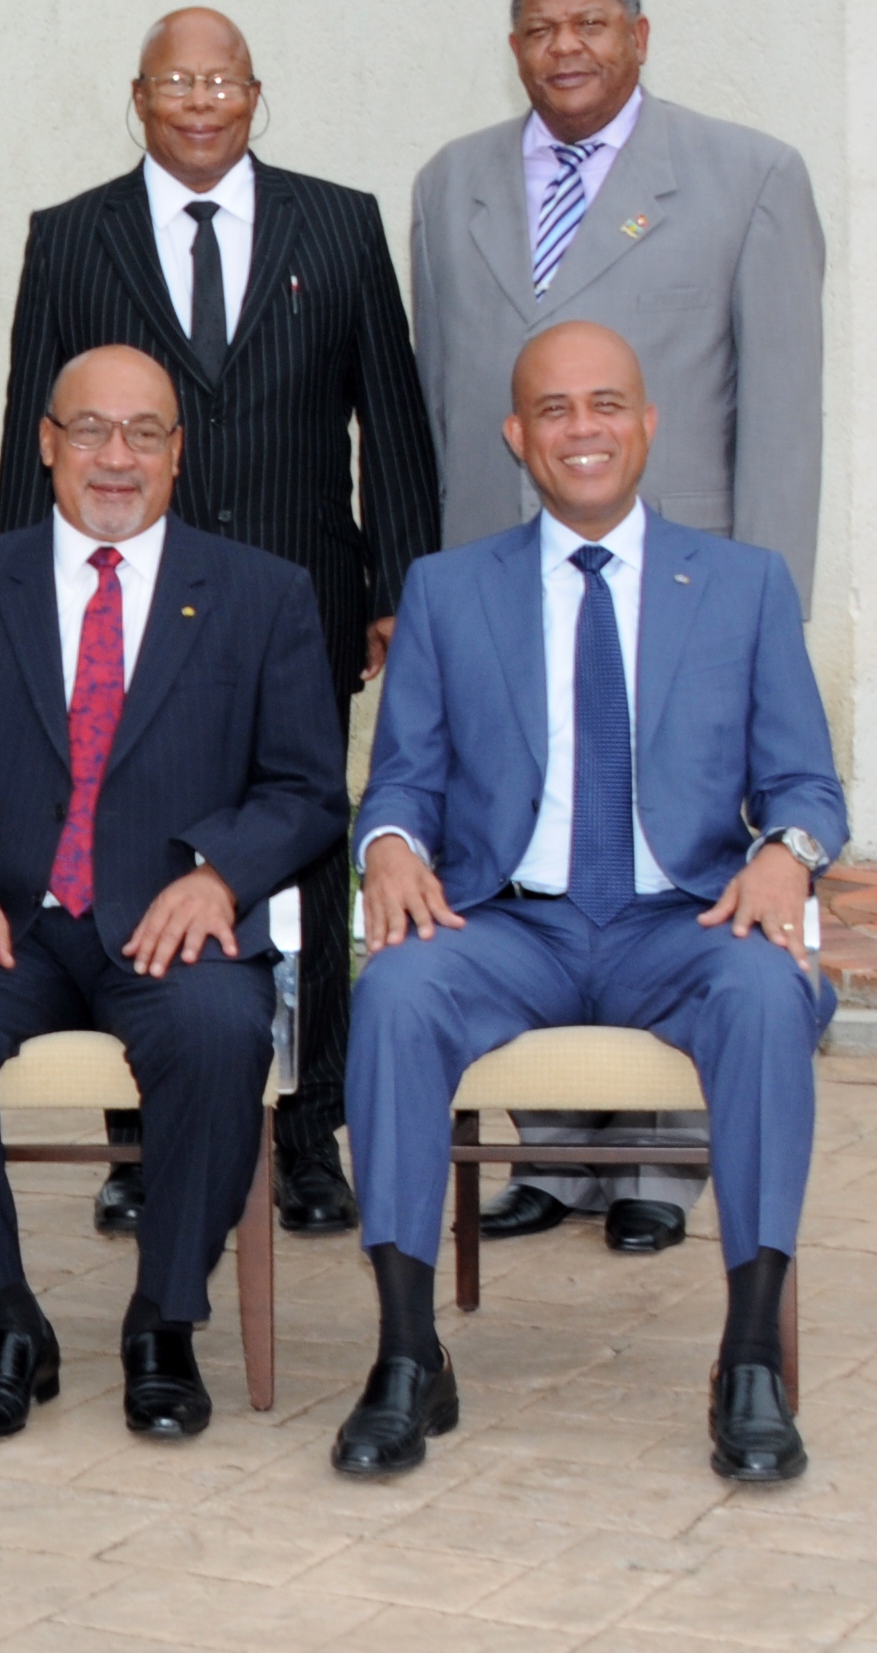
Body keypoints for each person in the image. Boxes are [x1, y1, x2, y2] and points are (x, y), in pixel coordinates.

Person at [336, 322, 841, 1485]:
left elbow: (805, 782)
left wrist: (788, 854)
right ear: (517, 435)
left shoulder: (742, 584)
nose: (581, 429)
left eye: (605, 403)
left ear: (646, 422)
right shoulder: (449, 589)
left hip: (685, 923)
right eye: (553, 409)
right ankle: (409, 1357)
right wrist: (392, 844)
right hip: (509, 923)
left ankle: (750, 1358)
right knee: (397, 994)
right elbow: (402, 774)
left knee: (770, 995)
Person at [406, 0, 827, 1253]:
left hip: (678, 585)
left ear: (636, 36)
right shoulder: (448, 183)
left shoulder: (745, 175)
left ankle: (659, 1170)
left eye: (589, 23)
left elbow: (781, 415)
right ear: (512, 43)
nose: (565, 47)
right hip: (502, 587)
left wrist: (774, 601)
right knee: (518, 863)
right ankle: (552, 1155)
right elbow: (435, 402)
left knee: (668, 877)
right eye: (539, 27)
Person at [0, 11, 436, 1240]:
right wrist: (14, 601)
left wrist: (402, 589)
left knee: (297, 843)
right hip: (116, 608)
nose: (200, 100)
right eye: (175, 80)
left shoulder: (337, 223)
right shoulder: (70, 234)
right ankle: (145, 1137)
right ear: (136, 95)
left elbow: (387, 419)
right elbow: (38, 421)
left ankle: (306, 1134)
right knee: (131, 841)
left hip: (298, 602)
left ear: (256, 92)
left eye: (222, 79)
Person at [0, 347, 345, 1445]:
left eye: (143, 433)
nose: (114, 458)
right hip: (7, 921)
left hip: (169, 922)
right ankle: (4, 1323)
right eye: (89, 430)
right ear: (45, 443)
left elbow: (307, 787)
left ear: (178, 453)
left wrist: (219, 873)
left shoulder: (262, 594)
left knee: (223, 1029)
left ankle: (163, 1321)